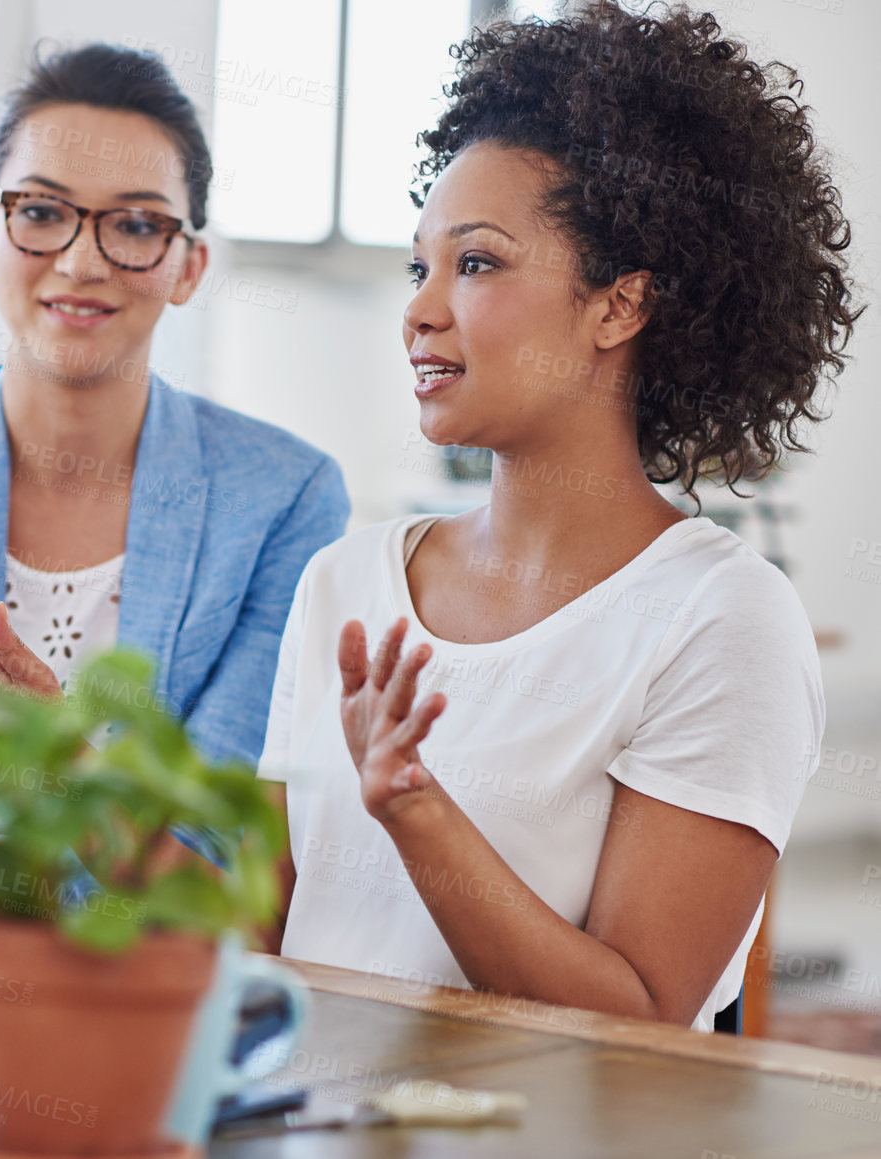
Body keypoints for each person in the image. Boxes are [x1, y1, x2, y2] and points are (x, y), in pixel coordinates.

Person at [259, 1, 860, 1029]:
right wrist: (65, 778)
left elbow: (641, 1020)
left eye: (477, 262)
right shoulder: (343, 586)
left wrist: (415, 808)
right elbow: (251, 940)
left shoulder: (720, 621)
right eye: (420, 267)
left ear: (618, 306)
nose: (420, 308)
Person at [0, 44, 349, 853]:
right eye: (39, 211)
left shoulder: (284, 498)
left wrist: (53, 767)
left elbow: (206, 860)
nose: (80, 260)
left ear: (187, 266)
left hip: (132, 976)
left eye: (134, 225)